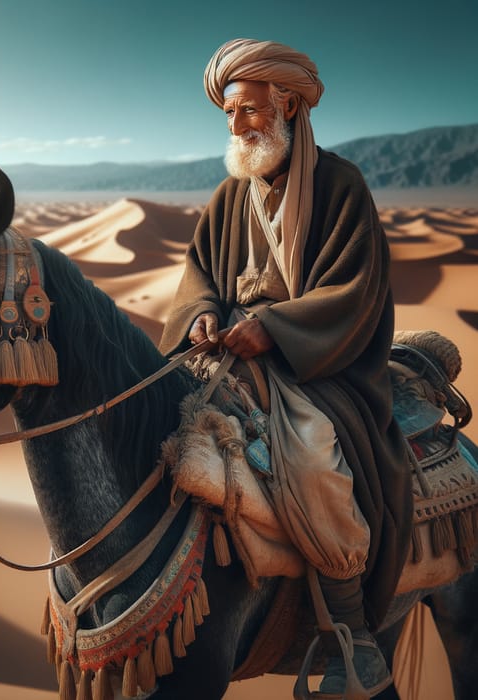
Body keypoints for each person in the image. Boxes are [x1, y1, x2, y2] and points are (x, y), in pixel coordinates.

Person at [159, 38, 413, 697]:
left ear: (289, 103)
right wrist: (201, 317)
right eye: (229, 114)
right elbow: (197, 277)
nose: (236, 125)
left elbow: (353, 291)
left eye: (247, 110)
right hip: (223, 359)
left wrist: (271, 328)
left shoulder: (341, 186)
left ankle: (353, 637)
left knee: (312, 458)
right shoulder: (227, 196)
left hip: (316, 368)